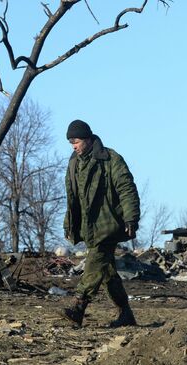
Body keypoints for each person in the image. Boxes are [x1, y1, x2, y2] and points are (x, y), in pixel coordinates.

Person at [61, 119, 140, 328]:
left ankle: (78, 306)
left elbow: (126, 188)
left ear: (87, 139)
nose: (73, 146)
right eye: (70, 143)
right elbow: (72, 199)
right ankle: (126, 315)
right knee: (107, 273)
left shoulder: (110, 159)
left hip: (109, 224)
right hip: (88, 227)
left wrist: (131, 217)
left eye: (76, 141)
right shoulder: (73, 164)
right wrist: (69, 224)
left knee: (95, 262)